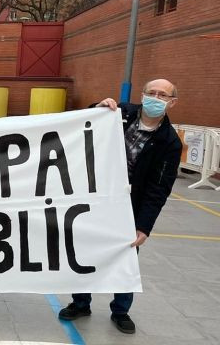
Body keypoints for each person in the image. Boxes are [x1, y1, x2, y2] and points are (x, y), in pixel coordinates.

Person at [58, 78, 182, 334]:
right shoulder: (121, 113)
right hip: (97, 198)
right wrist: (98, 105)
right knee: (86, 252)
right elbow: (86, 120)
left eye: (162, 95)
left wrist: (144, 226)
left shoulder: (169, 142)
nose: (155, 98)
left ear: (172, 102)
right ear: (142, 94)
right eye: (151, 93)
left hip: (130, 206)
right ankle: (81, 302)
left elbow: (159, 188)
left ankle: (121, 310)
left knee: (127, 257)